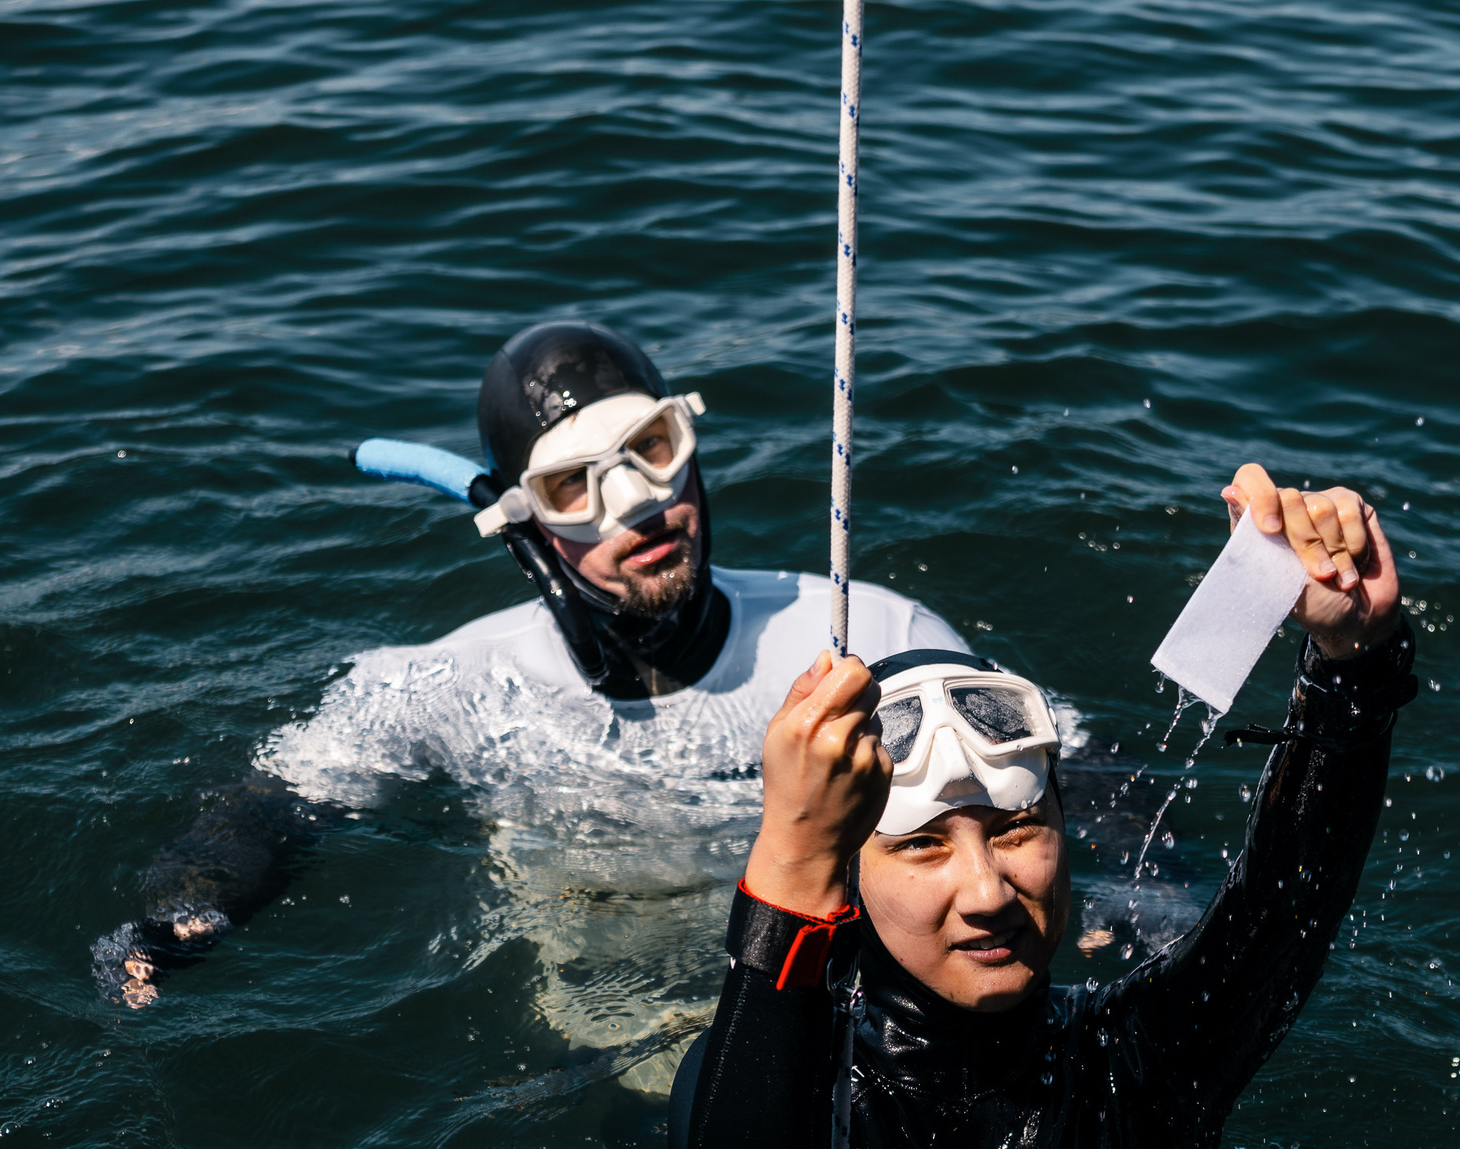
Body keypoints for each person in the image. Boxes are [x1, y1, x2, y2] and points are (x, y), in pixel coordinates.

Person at [670, 463, 1416, 1149]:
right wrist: (792, 858)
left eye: (1017, 829)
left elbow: (1286, 904)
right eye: (923, 846)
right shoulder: (789, 1085)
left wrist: (1352, 663)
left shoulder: (1135, 1065)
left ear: (1066, 825)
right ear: (848, 875)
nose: (987, 892)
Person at [93, 322, 963, 1011]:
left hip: (844, 1007)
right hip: (606, 1023)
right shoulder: (451, 688)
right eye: (573, 486)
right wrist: (179, 917)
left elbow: (1031, 794)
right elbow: (270, 812)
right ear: (524, 518)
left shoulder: (869, 633)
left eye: (653, 447)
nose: (639, 504)